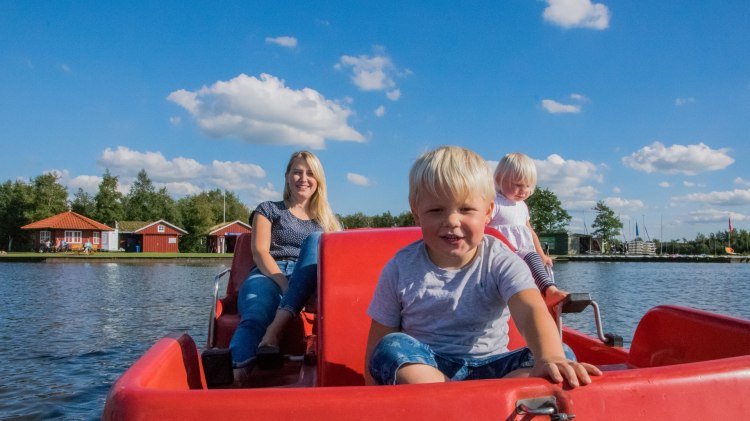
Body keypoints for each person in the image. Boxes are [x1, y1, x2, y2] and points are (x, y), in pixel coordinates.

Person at [364, 146, 601, 386]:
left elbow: (530, 309)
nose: (452, 221)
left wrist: (549, 356)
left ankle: (458, 402)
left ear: (488, 212)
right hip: (428, 368)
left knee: (560, 355)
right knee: (390, 348)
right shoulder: (400, 268)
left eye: (466, 209)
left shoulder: (501, 259)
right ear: (417, 213)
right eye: (436, 210)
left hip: (495, 369)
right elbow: (379, 343)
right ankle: (459, 399)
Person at [229, 150, 341, 377]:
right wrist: (286, 286)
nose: (303, 178)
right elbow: (260, 252)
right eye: (297, 172)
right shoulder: (268, 210)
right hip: (270, 273)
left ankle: (274, 334)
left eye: (310, 173)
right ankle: (233, 374)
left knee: (316, 240)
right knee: (256, 312)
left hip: (314, 278)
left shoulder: (328, 222)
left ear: (318, 180)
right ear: (287, 177)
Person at [490, 152, 568, 306]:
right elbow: (482, 226)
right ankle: (547, 292)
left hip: (521, 254)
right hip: (500, 254)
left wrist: (542, 255)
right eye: (518, 185)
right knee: (529, 258)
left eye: (528, 186)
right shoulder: (495, 202)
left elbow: (530, 232)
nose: (523, 190)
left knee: (532, 258)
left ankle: (545, 293)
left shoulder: (522, 207)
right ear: (499, 179)